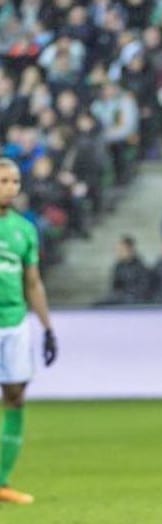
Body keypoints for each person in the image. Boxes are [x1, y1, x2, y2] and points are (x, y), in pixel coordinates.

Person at [0, 158, 58, 504]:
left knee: (17, 396)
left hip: (16, 322)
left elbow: (32, 282)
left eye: (15, 182)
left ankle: (2, 481)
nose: (10, 187)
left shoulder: (24, 229)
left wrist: (48, 328)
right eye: (4, 181)